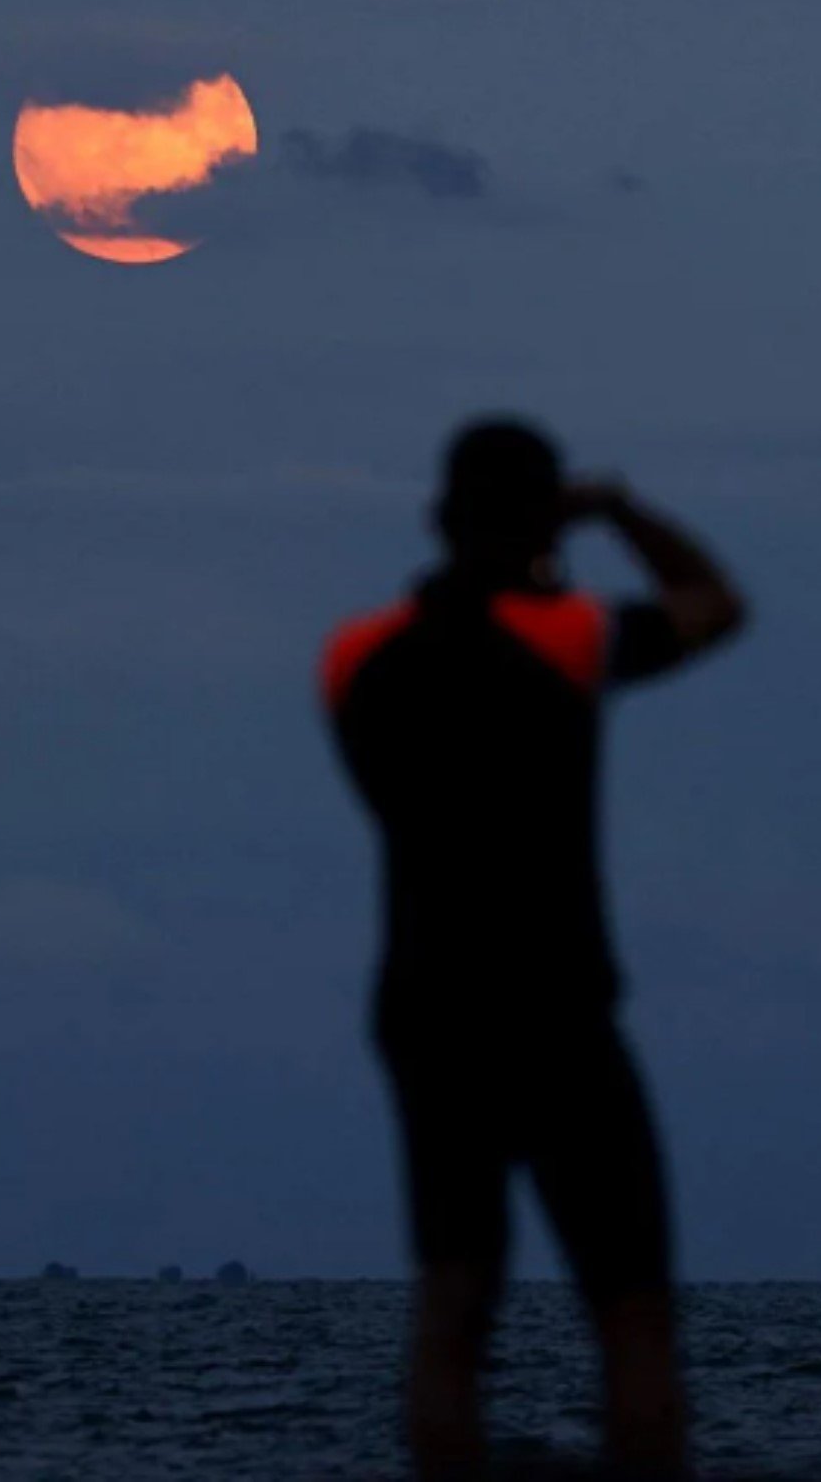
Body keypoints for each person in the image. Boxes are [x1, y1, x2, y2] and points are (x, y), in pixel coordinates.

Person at [319, 419, 749, 1481]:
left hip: (422, 1008)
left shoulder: (353, 660)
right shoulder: (566, 637)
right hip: (554, 1005)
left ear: (438, 518)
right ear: (539, 517)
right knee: (630, 1310)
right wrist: (611, 513)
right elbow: (714, 605)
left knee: (452, 1295)